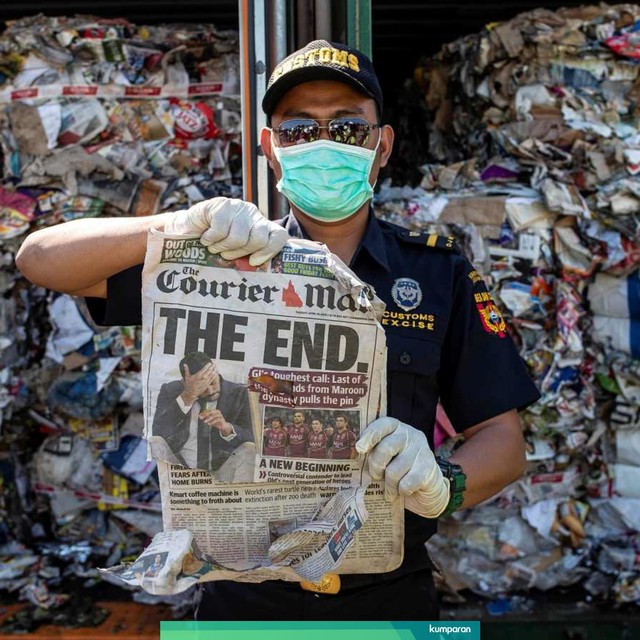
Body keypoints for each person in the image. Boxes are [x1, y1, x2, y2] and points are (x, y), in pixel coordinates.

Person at [16, 39, 540, 620]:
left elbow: (504, 440)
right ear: (270, 148)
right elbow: (39, 259)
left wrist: (443, 482)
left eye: (347, 127)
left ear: (382, 146)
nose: (322, 143)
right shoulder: (214, 256)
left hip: (388, 599)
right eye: (298, 129)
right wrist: (176, 226)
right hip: (239, 604)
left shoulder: (436, 272)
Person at [151, 351, 254, 474]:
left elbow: (252, 438)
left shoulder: (240, 393)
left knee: (250, 448)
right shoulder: (171, 390)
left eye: (212, 382)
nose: (210, 391)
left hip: (224, 471)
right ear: (185, 382)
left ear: (216, 372)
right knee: (156, 441)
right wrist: (188, 396)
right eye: (202, 386)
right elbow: (159, 433)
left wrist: (226, 428)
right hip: (182, 470)